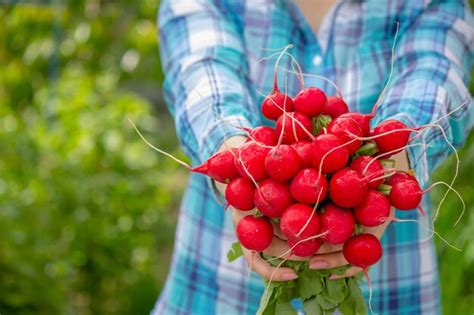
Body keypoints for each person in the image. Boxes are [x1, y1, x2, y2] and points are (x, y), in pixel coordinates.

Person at [153, 0, 474, 314]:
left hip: (393, 285)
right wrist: (231, 152)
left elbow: (434, 72)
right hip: (217, 291)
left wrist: (396, 160)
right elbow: (202, 71)